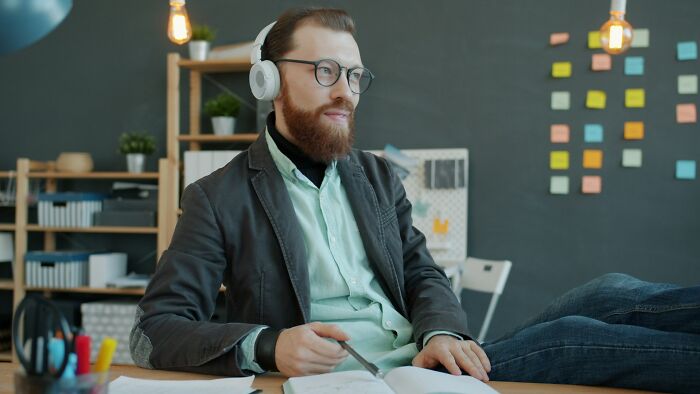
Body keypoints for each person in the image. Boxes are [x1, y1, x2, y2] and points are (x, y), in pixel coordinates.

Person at [131, 7, 700, 393]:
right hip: (363, 379)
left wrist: (442, 332)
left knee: (610, 291)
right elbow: (155, 330)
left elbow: (422, 273)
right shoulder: (217, 196)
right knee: (575, 337)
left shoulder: (375, 176)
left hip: (426, 365)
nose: (344, 92)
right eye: (325, 70)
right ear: (269, 82)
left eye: (354, 75)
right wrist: (271, 346)